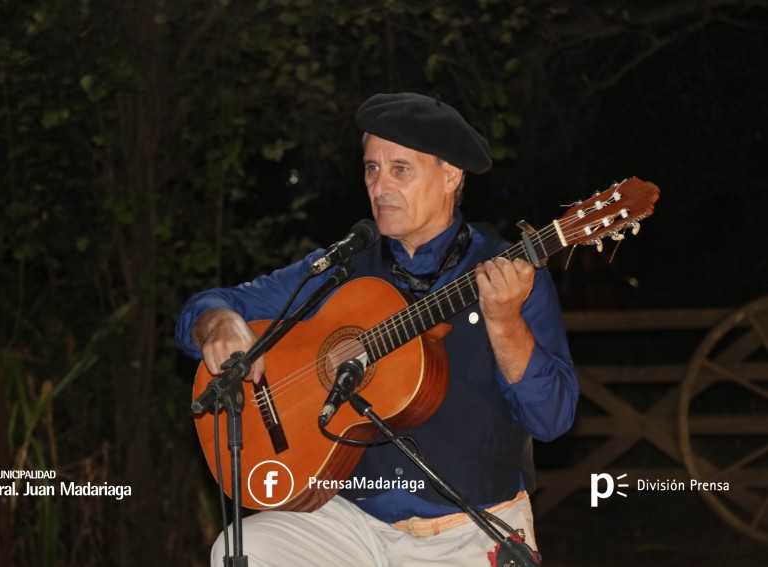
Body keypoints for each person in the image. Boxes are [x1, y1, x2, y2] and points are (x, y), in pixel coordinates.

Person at [175, 92, 579, 566]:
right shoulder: (344, 267)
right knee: (243, 549)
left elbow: (553, 420)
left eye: (400, 169)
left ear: (451, 175)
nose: (380, 186)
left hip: (471, 529)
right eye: (371, 168)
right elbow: (208, 306)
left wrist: (506, 323)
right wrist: (217, 323)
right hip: (351, 524)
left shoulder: (510, 275)